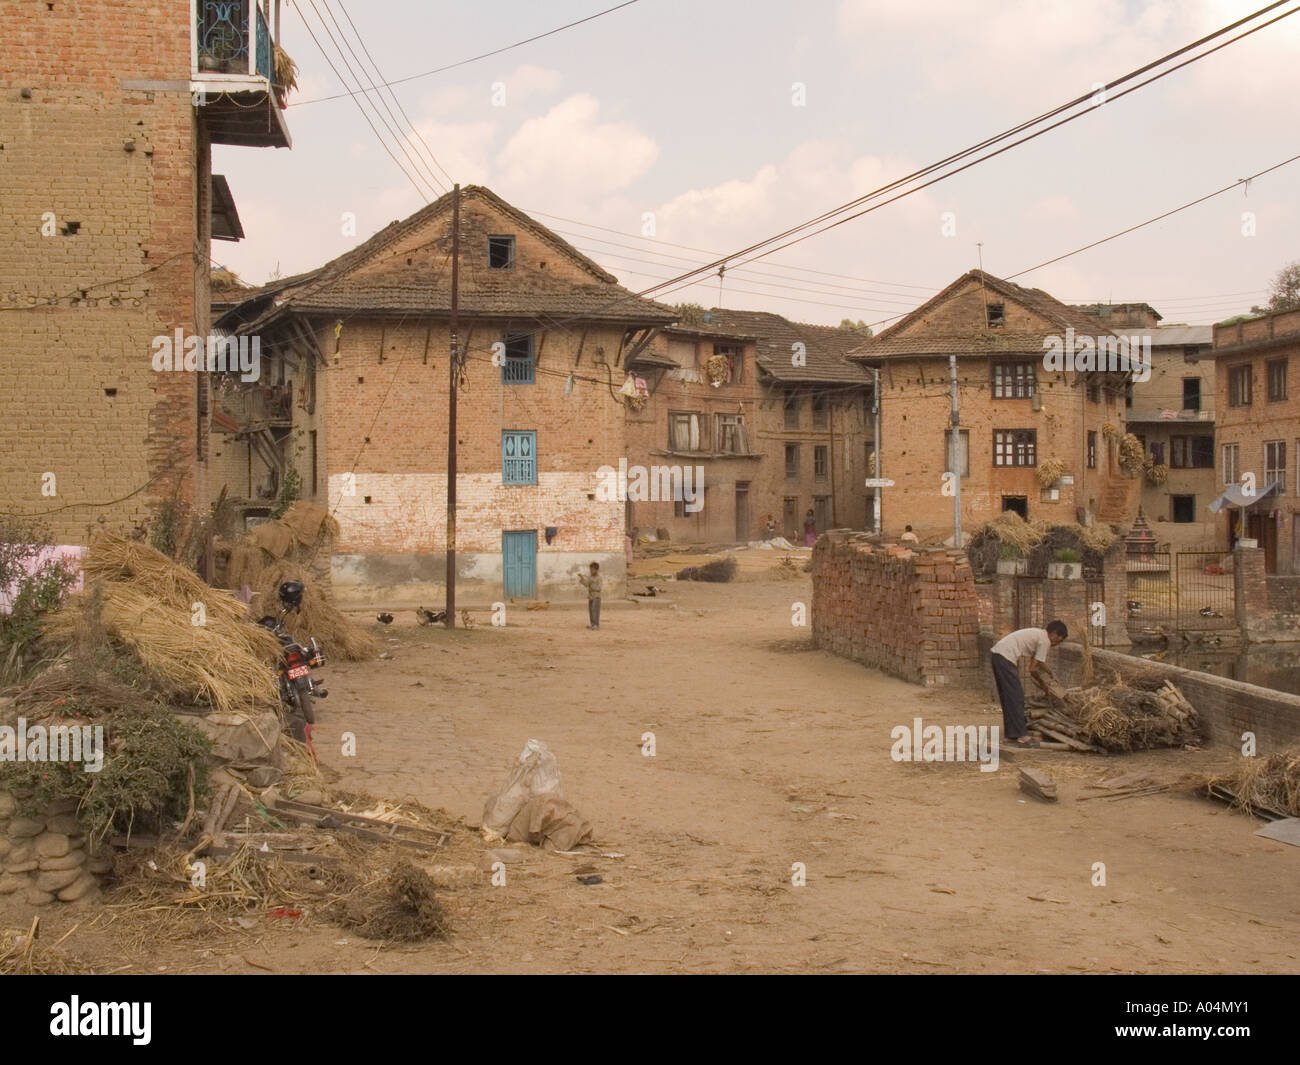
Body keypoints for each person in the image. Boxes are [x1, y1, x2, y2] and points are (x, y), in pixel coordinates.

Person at [990, 620, 1067, 748]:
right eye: (1058, 640)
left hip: (997, 655)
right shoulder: (1045, 641)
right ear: (1054, 634)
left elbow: (1038, 661)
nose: (1056, 644)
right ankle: (1022, 736)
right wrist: (1043, 684)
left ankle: (1012, 735)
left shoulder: (1039, 635)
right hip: (1005, 657)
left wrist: (1050, 673)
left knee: (1009, 697)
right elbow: (1032, 669)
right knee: (1017, 697)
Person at [577, 561, 602, 629]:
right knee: (591, 611)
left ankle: (596, 625)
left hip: (596, 596)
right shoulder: (590, 577)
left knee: (595, 610)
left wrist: (592, 583)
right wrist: (582, 578)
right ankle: (592, 624)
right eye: (590, 569)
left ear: (596, 570)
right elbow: (586, 584)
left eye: (592, 569)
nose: (591, 571)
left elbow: (599, 588)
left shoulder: (599, 578)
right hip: (591, 596)